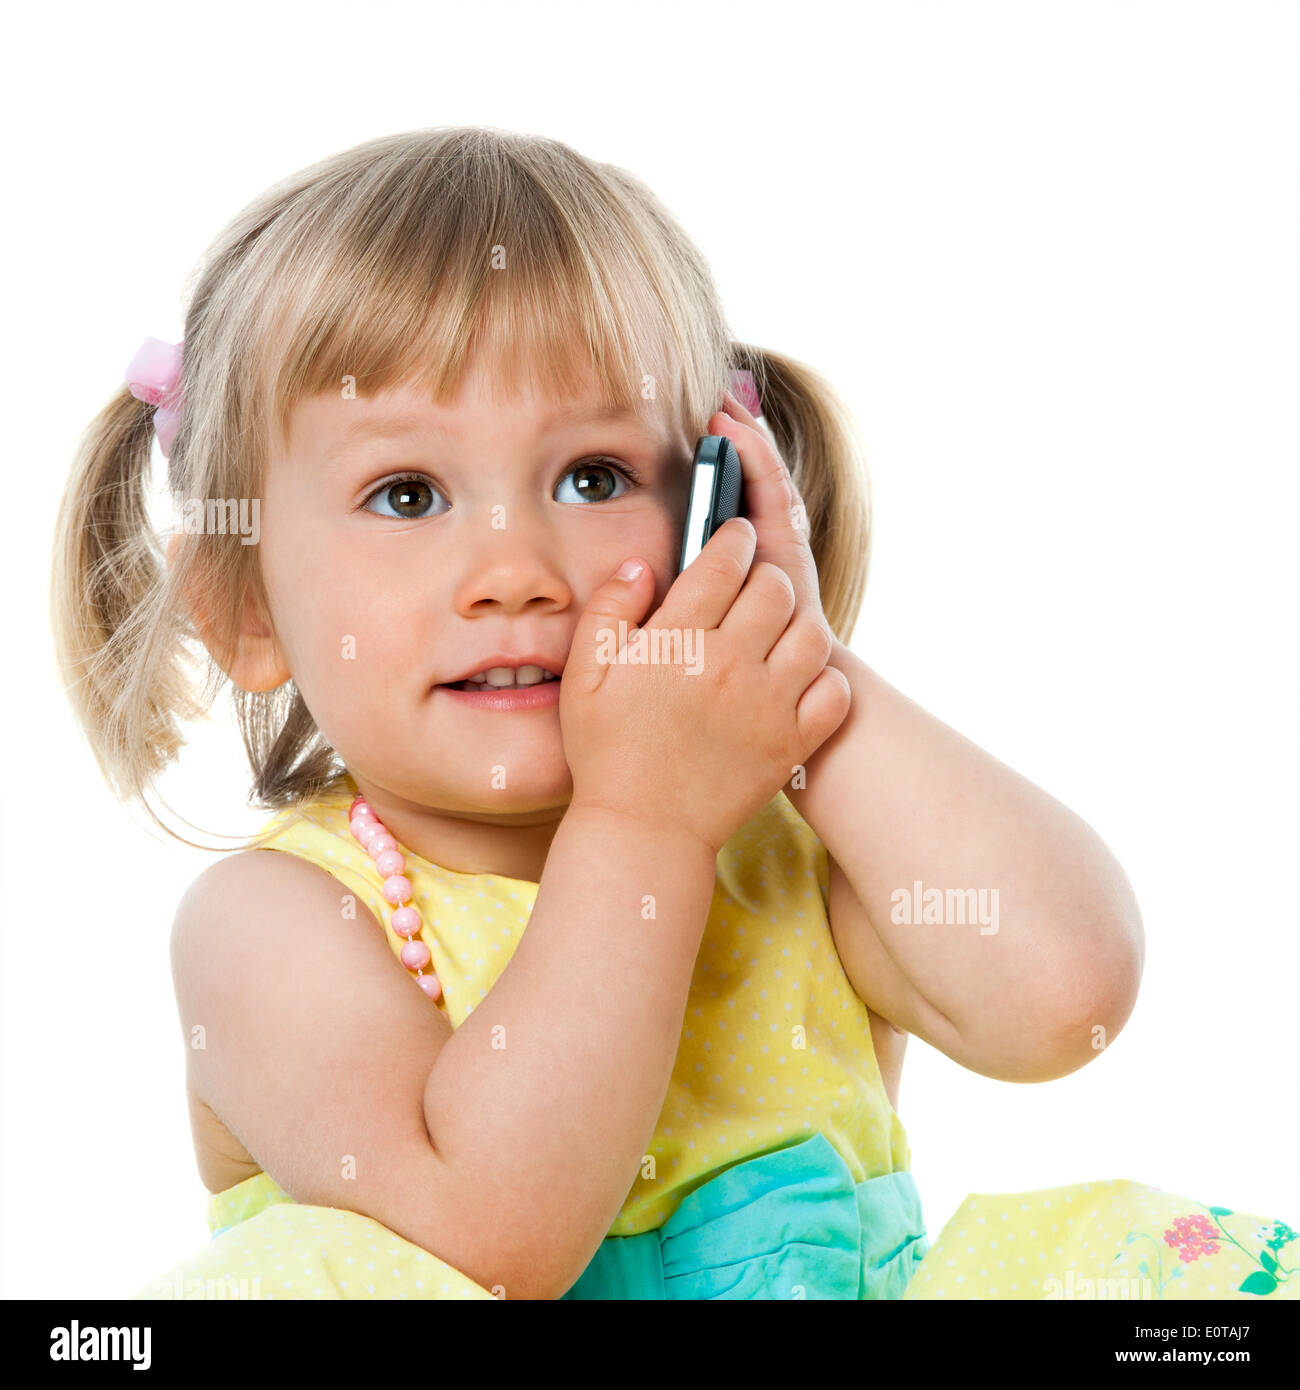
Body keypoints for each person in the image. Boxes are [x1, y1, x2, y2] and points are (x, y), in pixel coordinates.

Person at [50, 125, 1296, 1300]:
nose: (516, 565)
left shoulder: (776, 851)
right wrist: (644, 824)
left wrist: (795, 673)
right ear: (245, 609)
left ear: (717, 502)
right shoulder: (277, 922)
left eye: (593, 477)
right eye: (408, 492)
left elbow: (1063, 997)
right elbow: (497, 1236)